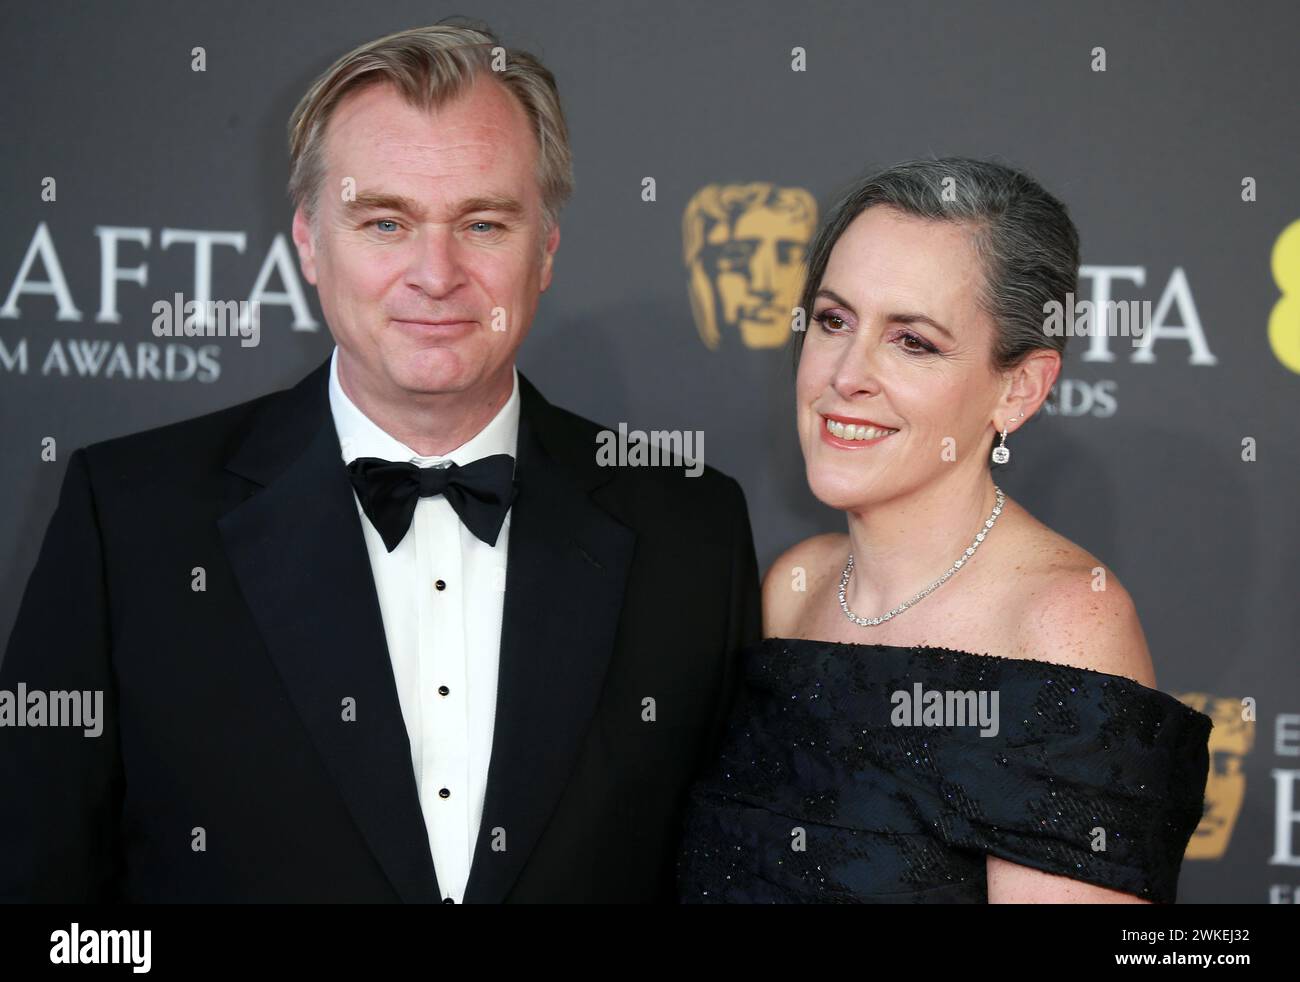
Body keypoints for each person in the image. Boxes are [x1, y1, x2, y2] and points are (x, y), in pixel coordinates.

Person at [0, 23, 760, 903]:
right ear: (309, 244)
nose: (435, 274)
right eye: (385, 221)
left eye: (482, 221)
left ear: (545, 249)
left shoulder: (692, 529)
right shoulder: (129, 518)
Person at [677, 157, 1211, 903]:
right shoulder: (795, 585)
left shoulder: (1064, 624)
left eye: (913, 341)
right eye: (834, 320)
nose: (846, 374)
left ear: (1019, 388)